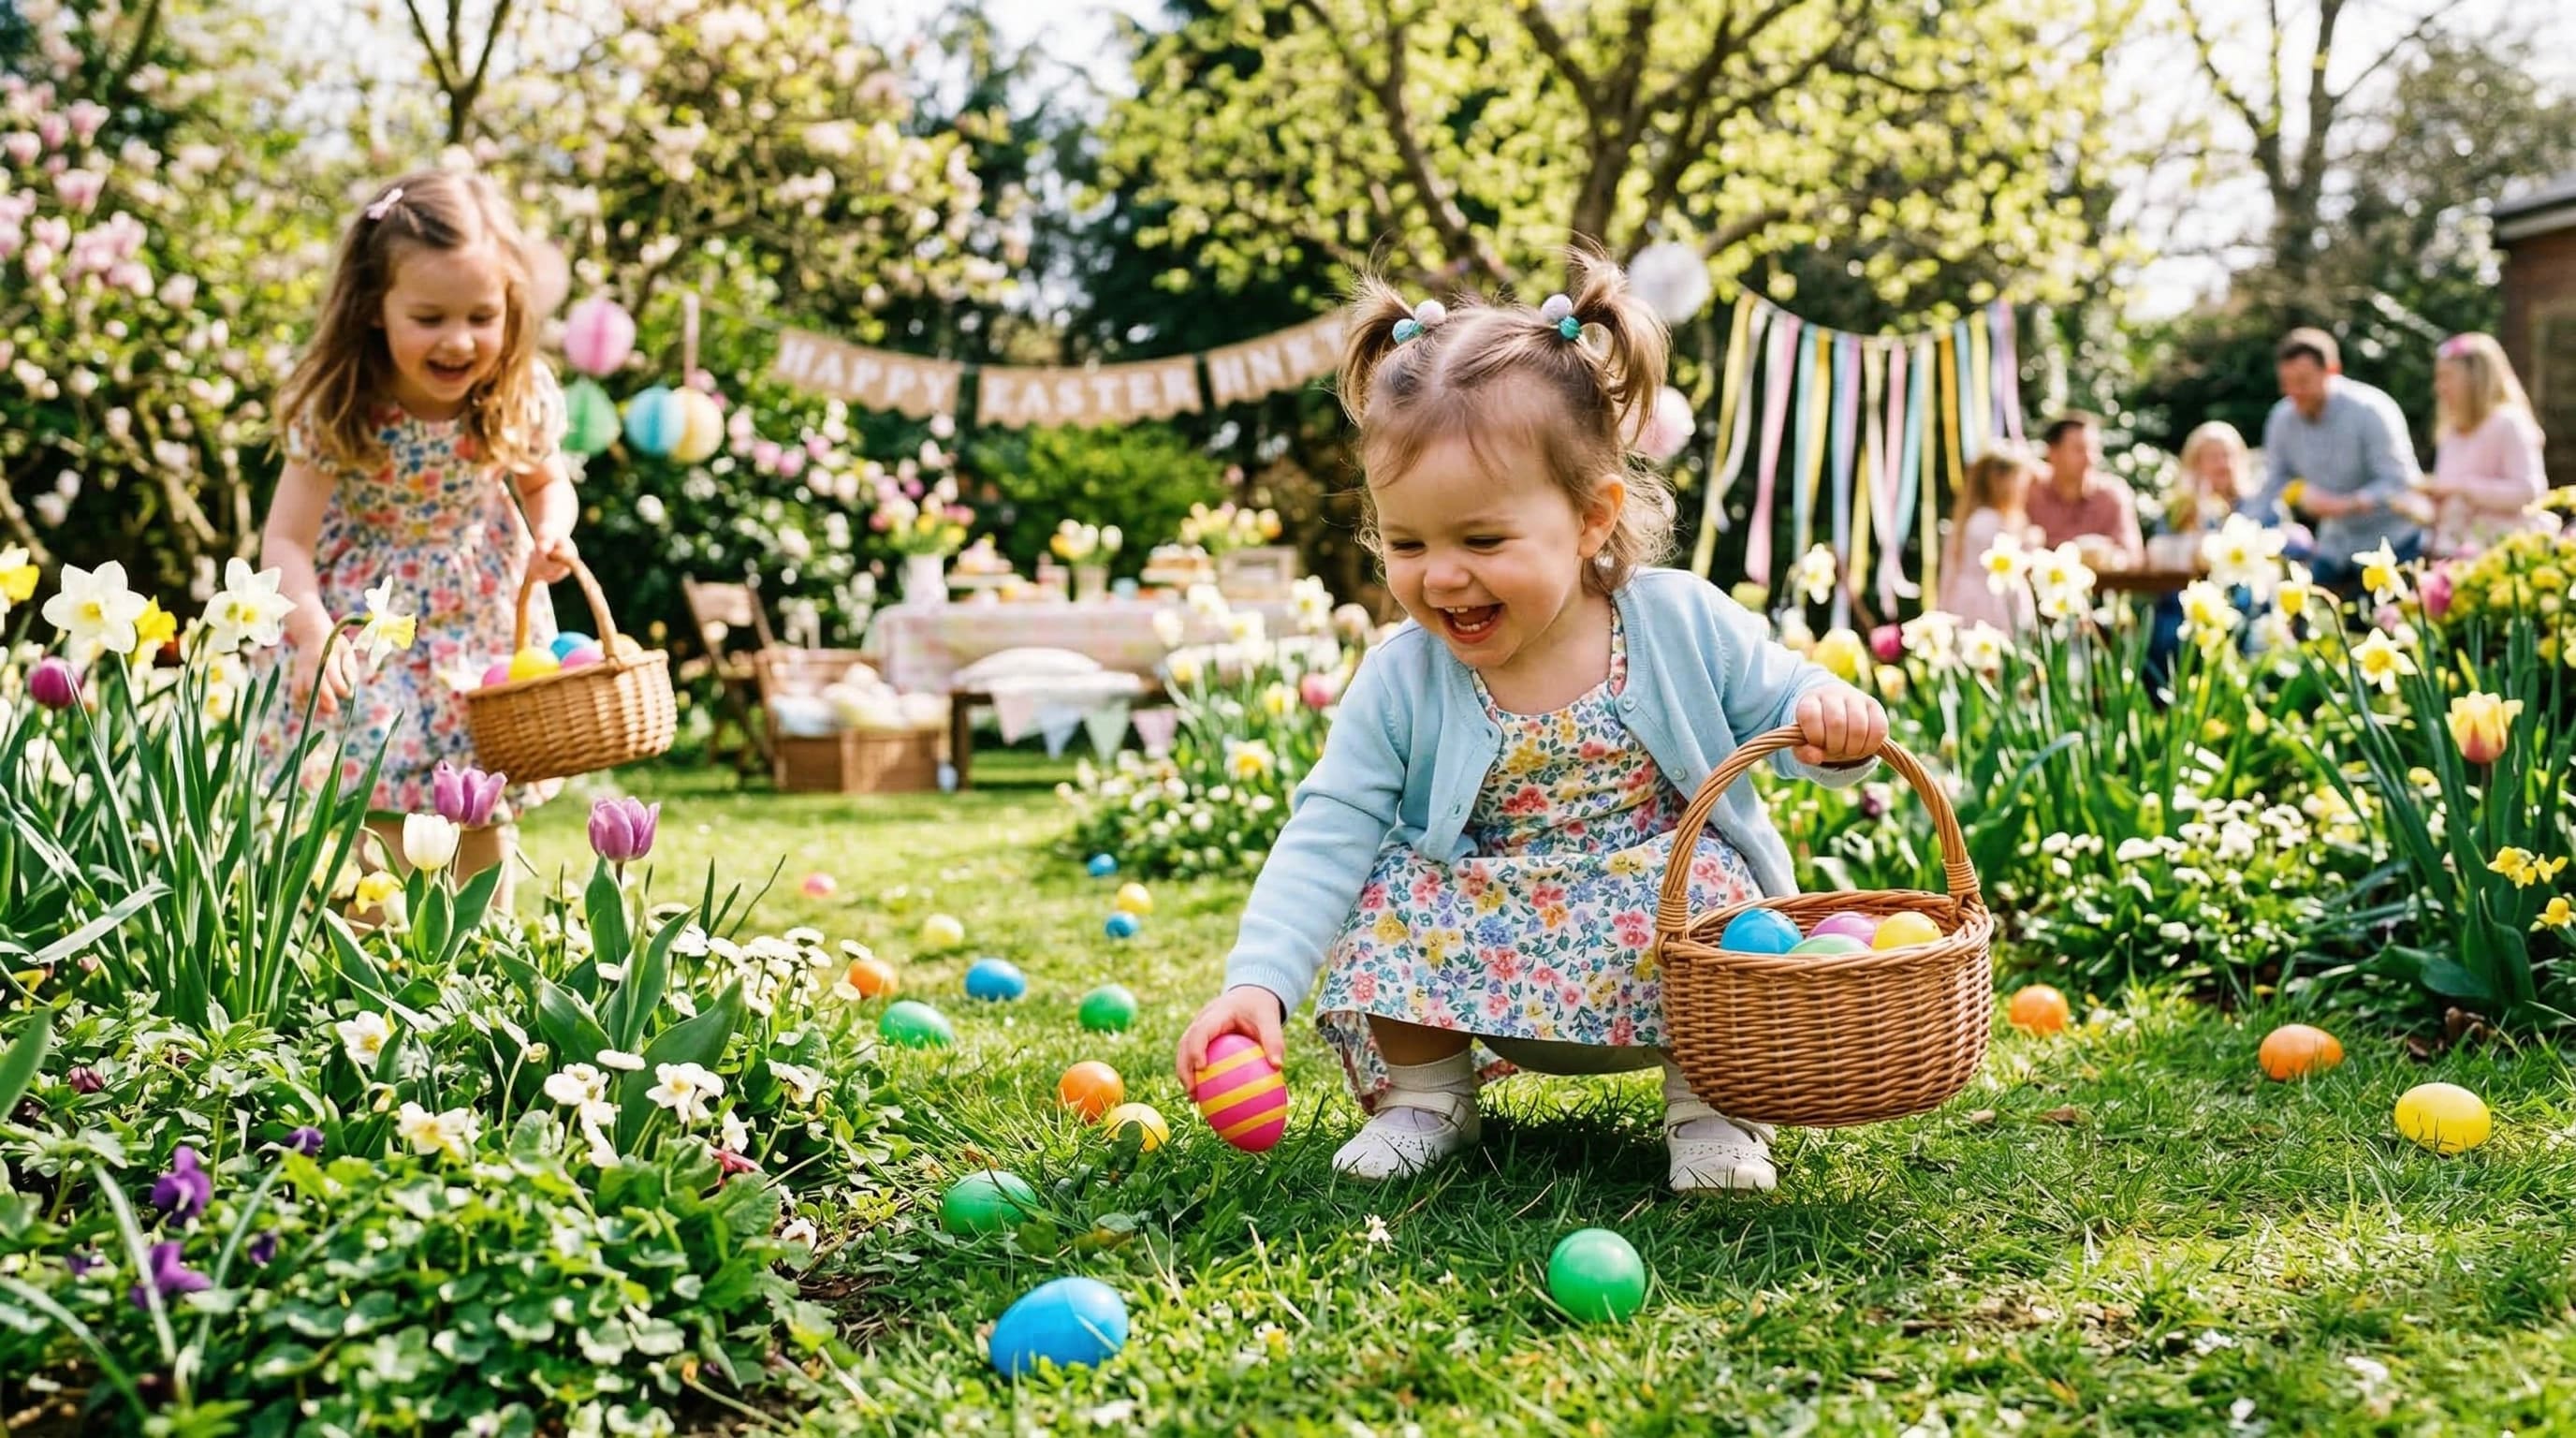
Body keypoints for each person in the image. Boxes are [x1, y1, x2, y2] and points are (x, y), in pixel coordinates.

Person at [1169, 250, 1888, 1195]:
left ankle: (1713, 1110)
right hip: (1491, 926)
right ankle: (1426, 1098)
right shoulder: (1404, 675)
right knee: (1387, 885)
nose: (1441, 575)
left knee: (1718, 892)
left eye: (1482, 539)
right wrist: (1254, 982)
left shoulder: (1676, 620)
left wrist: (1827, 722)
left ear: (1591, 519)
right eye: (1408, 541)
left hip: (1652, 913)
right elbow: (1328, 829)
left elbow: (1784, 710)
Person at [259, 169, 578, 893]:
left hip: (479, 616)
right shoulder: (343, 403)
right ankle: (376, 968)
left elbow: (544, 482)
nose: (459, 342)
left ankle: (475, 963)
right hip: (368, 624)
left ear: (511, 308)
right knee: (379, 793)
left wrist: (552, 532)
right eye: (430, 318)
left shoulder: (511, 396)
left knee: (480, 798)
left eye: (481, 317)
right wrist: (311, 630)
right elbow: (285, 541)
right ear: (375, 307)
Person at [2251, 328, 2425, 593]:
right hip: (2335, 545)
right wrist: (2295, 494)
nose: (2293, 391)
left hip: (2393, 544)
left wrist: (2348, 504)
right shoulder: (2281, 419)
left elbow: (2401, 481)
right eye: (2286, 382)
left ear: (2332, 370)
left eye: (2303, 381)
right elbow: (2274, 481)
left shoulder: (2372, 411)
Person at [2424, 332, 2551, 558]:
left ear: (2476, 377)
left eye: (2448, 376)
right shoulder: (2451, 432)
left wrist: (2463, 488)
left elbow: (2528, 490)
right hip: (2452, 553)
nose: (2440, 387)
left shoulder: (2508, 423)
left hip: (2501, 555)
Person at [1936, 446, 2047, 632]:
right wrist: (2032, 544)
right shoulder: (1986, 522)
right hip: (1989, 606)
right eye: (2020, 481)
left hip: (1974, 600)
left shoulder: (1976, 520)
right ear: (2000, 482)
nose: (2024, 490)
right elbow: (2012, 561)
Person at [2027, 412, 2144, 568]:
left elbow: (2133, 556)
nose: (2090, 458)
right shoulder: (2030, 493)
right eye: (2079, 450)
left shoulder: (2112, 495)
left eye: (2095, 450)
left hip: (2100, 589)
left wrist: (2109, 559)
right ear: (2053, 453)